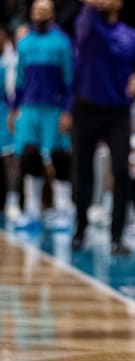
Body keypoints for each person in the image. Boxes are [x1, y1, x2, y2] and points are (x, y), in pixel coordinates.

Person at [71, 0, 135, 254]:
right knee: (82, 170)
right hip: (87, 107)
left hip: (117, 111)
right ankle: (80, 230)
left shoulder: (131, 35)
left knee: (121, 171)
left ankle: (117, 236)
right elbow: (85, 22)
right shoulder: (88, 23)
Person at [9, 0, 73, 230]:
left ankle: (64, 209)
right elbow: (19, 81)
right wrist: (14, 109)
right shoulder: (25, 43)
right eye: (37, 11)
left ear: (52, 14)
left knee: (59, 155)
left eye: (44, 11)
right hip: (29, 107)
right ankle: (32, 210)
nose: (40, 14)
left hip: (54, 108)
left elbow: (69, 81)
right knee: (29, 155)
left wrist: (68, 110)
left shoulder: (62, 43)